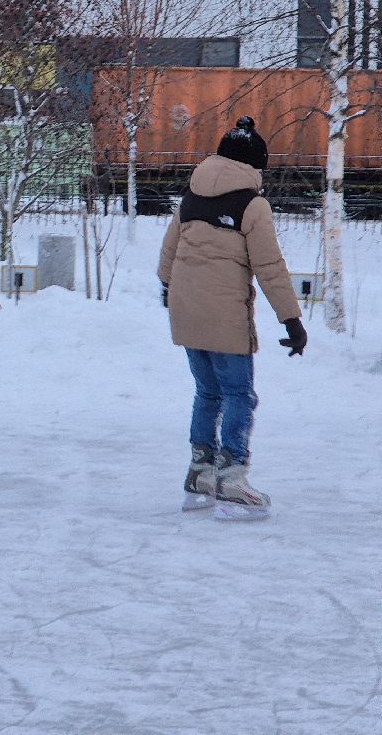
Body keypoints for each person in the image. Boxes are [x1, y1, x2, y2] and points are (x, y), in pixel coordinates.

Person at [158, 116, 306, 522]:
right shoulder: (252, 205)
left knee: (208, 393)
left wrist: (169, 291)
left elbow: (167, 256)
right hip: (224, 316)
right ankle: (232, 477)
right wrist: (291, 319)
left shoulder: (190, 196)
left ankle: (201, 473)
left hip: (187, 312)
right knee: (240, 394)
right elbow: (269, 265)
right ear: (253, 166)